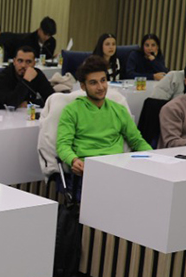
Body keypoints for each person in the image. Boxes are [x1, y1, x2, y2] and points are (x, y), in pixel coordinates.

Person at [56, 55, 151, 197]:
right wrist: (73, 160)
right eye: (93, 83)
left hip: (118, 169)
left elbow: (137, 141)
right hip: (88, 171)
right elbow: (63, 145)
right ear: (83, 86)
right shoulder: (72, 110)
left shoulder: (118, 109)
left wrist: (154, 158)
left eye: (103, 80)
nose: (100, 87)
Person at [0, 44, 52, 109]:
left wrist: (29, 103)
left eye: (28, 62)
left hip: (27, 113)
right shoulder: (3, 77)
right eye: (20, 61)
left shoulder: (37, 74)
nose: (23, 65)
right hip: (2, 113)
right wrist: (26, 80)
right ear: (14, 62)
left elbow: (51, 98)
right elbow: (10, 104)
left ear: (34, 63)